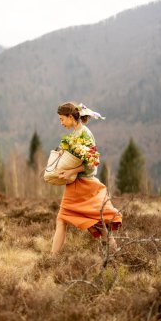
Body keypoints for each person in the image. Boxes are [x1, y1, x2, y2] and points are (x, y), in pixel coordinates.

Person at [51, 102, 122, 254]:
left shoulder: (85, 134)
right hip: (75, 185)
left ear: (71, 117)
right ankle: (51, 260)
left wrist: (71, 172)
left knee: (98, 224)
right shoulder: (74, 134)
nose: (61, 123)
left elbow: (92, 164)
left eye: (62, 119)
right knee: (62, 219)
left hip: (84, 185)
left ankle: (115, 256)